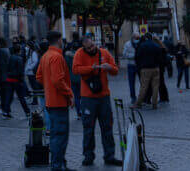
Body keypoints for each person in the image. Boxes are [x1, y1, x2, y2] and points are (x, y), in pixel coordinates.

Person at [72, 33, 124, 167]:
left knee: (107, 127)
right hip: (87, 97)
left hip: (103, 96)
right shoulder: (79, 53)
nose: (91, 49)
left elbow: (115, 70)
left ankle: (110, 155)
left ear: (95, 43)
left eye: (92, 46)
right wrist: (92, 68)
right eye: (88, 48)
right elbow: (75, 69)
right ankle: (88, 156)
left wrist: (109, 68)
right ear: (83, 47)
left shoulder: (104, 53)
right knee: (88, 128)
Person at [37, 31, 74, 171]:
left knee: (55, 135)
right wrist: (69, 93)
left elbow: (39, 76)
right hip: (59, 102)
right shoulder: (57, 57)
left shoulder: (45, 56)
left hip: (50, 101)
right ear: (59, 40)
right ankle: (58, 166)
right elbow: (58, 80)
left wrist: (48, 88)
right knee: (60, 136)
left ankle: (59, 164)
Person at [132, 33, 162, 110]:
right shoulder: (156, 45)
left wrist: (140, 65)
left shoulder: (142, 46)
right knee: (155, 87)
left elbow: (138, 56)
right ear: (151, 38)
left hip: (145, 68)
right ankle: (154, 104)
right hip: (155, 68)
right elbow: (160, 57)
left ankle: (139, 103)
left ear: (145, 38)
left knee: (144, 87)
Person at [2, 43, 31, 118]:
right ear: (19, 50)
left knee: (9, 96)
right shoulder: (19, 59)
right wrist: (22, 81)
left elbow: (7, 68)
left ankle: (6, 112)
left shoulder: (10, 57)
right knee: (21, 97)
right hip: (17, 80)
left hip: (9, 79)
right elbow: (21, 71)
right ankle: (27, 112)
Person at [64, 38, 82, 116]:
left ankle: (78, 112)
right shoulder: (81, 55)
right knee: (83, 96)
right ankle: (84, 110)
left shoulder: (67, 56)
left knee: (76, 96)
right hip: (81, 77)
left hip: (72, 77)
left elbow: (66, 67)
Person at [121, 32, 140, 104]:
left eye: (138, 38)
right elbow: (124, 54)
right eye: (136, 38)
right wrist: (133, 56)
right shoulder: (127, 44)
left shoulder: (140, 43)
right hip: (131, 65)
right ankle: (133, 97)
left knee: (143, 82)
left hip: (139, 65)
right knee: (131, 83)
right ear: (132, 37)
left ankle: (143, 96)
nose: (137, 39)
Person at [0, 38, 12, 118]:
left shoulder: (1, 51)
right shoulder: (7, 50)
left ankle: (4, 110)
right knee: (6, 94)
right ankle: (6, 110)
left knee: (3, 94)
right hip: (7, 76)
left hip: (3, 76)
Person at [153, 35, 171, 104]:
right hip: (162, 67)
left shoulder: (157, 48)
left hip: (158, 67)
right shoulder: (162, 47)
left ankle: (163, 98)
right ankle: (165, 97)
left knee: (160, 83)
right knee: (162, 83)